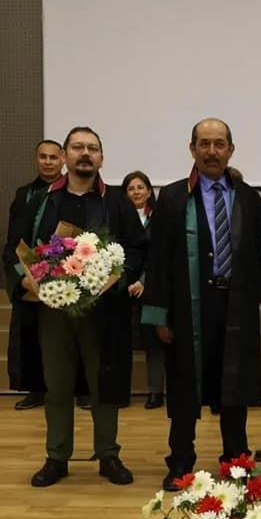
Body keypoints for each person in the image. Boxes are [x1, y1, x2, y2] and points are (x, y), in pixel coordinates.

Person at [6, 126, 146, 487]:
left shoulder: (117, 202)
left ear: (101, 158)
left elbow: (138, 248)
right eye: (78, 147)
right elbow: (14, 248)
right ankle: (56, 457)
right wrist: (24, 280)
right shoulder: (39, 202)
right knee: (56, 385)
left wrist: (118, 277)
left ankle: (108, 454)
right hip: (52, 311)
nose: (85, 153)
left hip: (104, 312)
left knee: (104, 385)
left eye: (92, 148)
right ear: (65, 155)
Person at [142, 118, 261, 491]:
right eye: (205, 144)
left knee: (234, 386)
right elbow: (158, 259)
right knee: (183, 388)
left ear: (231, 149)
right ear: (192, 148)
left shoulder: (248, 198)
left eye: (219, 144)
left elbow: (259, 253)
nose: (212, 151)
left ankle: (235, 461)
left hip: (235, 304)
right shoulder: (173, 197)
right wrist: (159, 315)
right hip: (187, 306)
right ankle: (180, 462)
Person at [4, 140, 63, 411]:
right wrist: (26, 275)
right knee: (30, 336)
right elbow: (15, 240)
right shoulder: (24, 194)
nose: (48, 162)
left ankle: (80, 390)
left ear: (63, 159)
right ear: (36, 159)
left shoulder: (73, 191)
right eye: (43, 157)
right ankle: (36, 390)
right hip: (32, 278)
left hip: (67, 274)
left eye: (53, 157)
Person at [122, 170, 165, 409]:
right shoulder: (119, 218)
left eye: (140, 187)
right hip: (122, 287)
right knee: (121, 341)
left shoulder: (159, 219)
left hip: (151, 287)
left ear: (149, 192)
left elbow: (159, 256)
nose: (136, 192)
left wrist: (143, 281)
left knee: (153, 342)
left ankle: (155, 392)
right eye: (131, 188)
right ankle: (120, 392)